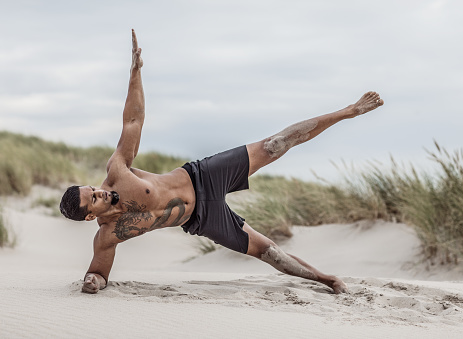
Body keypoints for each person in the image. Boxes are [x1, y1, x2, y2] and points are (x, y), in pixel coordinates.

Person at [59, 29, 384, 295]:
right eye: (94, 199)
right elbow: (98, 273)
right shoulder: (107, 236)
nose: (99, 193)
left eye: (93, 190)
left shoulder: (117, 172)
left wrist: (135, 73)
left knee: (275, 144)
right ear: (91, 217)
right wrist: (93, 282)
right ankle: (328, 280)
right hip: (201, 217)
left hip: (202, 177)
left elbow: (133, 121)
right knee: (268, 252)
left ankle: (347, 111)